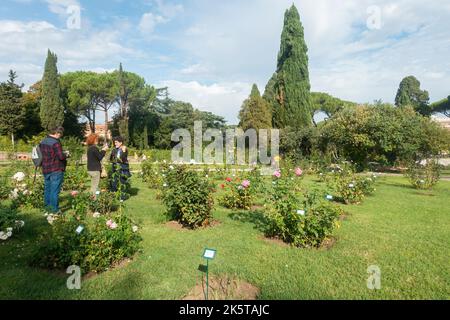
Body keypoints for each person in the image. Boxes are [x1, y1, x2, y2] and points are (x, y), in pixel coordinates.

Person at [40, 126, 68, 213]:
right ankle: (54, 210)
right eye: (60, 134)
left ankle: (47, 208)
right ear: (57, 133)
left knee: (47, 189)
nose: (60, 136)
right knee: (55, 190)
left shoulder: (43, 141)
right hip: (56, 169)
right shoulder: (55, 142)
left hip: (45, 168)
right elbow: (60, 156)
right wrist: (66, 154)